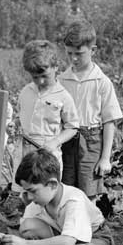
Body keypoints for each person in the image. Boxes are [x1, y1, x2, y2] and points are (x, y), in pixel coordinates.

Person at [2, 149, 113, 245]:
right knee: (27, 228)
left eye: (33, 191)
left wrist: (25, 244)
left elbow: (67, 242)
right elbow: (24, 231)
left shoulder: (73, 200)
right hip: (66, 234)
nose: (29, 197)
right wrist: (8, 240)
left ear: (53, 184)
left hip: (94, 237)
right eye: (27, 191)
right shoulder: (38, 202)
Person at [59, 21, 123, 200]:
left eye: (79, 54)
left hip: (91, 141)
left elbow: (109, 121)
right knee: (66, 187)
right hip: (66, 139)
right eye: (69, 53)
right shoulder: (62, 80)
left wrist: (105, 158)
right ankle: (69, 224)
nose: (74, 59)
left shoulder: (101, 82)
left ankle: (88, 225)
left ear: (93, 50)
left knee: (89, 190)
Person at [17, 40, 79, 172]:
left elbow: (72, 127)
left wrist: (55, 142)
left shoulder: (63, 96)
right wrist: (14, 126)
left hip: (48, 153)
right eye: (35, 77)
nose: (40, 81)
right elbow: (21, 117)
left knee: (45, 188)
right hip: (24, 151)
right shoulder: (25, 92)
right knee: (23, 187)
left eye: (45, 76)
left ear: (56, 67)